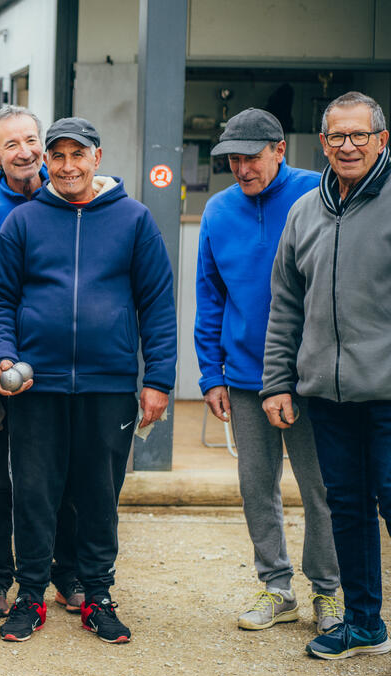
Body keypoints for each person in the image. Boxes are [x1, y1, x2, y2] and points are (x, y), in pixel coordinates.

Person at [0, 117, 176, 644]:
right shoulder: (23, 222)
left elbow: (157, 304)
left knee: (97, 495)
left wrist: (158, 378)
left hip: (108, 385)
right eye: (58, 155)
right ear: (47, 161)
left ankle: (97, 596)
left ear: (96, 157)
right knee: (35, 492)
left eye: (78, 155)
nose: (68, 166)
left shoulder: (134, 220)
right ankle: (29, 597)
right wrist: (3, 357)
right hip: (34, 386)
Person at [195, 108, 342, 635]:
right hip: (244, 376)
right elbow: (210, 297)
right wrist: (211, 374)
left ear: (280, 149)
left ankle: (328, 590)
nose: (241, 168)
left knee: (321, 486)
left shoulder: (320, 194)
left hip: (313, 375)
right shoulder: (217, 210)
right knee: (257, 486)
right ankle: (277, 587)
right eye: (232, 158)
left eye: (251, 157)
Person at [261, 91, 391, 661]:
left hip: (388, 394)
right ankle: (364, 625)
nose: (347, 146)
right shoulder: (305, 211)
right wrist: (276, 381)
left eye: (359, 135)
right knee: (349, 508)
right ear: (323, 142)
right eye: (336, 136)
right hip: (329, 396)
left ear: (382, 140)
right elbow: (285, 304)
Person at [0, 104, 82, 619]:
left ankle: (66, 571)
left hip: (65, 367)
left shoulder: (77, 205)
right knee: (5, 478)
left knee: (68, 474)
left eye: (31, 140)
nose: (25, 151)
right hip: (4, 368)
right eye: (11, 144)